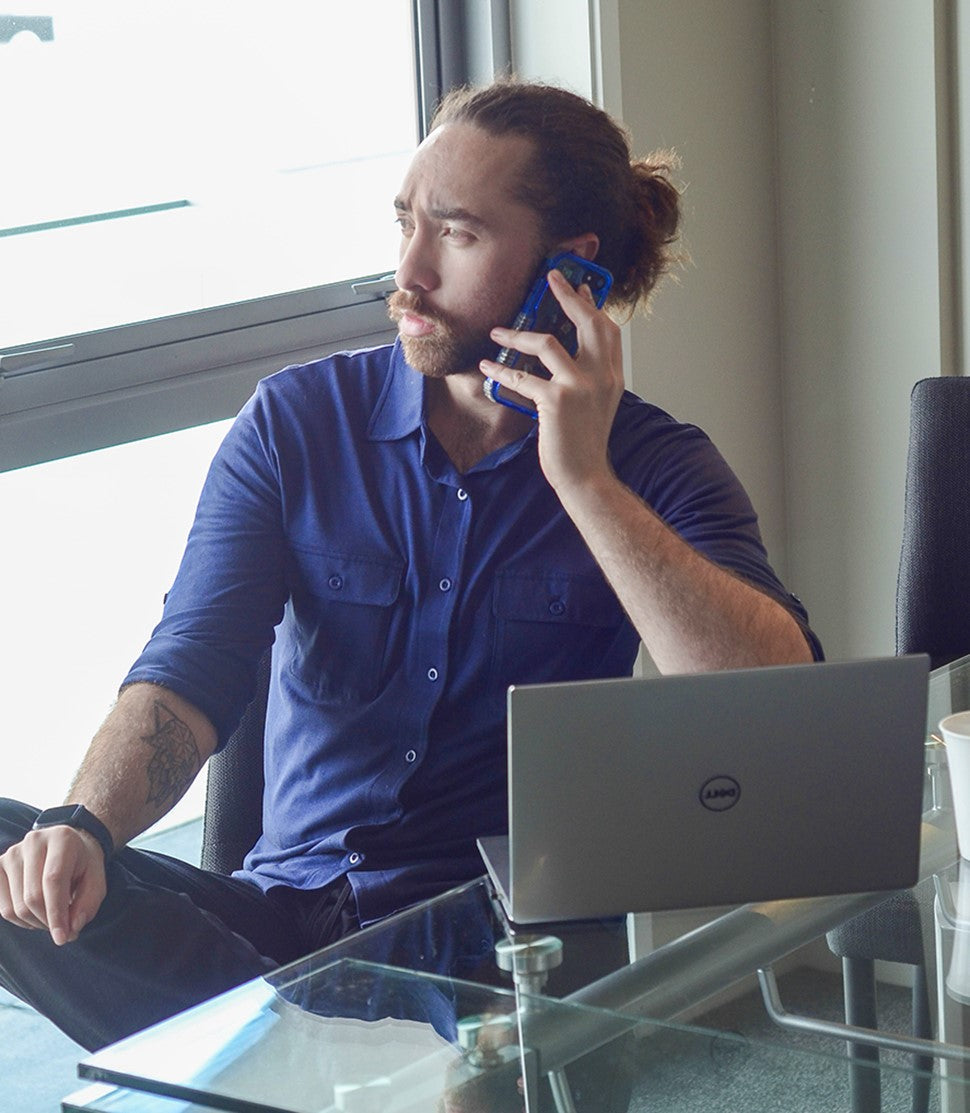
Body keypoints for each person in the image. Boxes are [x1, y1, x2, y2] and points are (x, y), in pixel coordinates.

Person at [0, 79, 821, 1052]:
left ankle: (283, 1048)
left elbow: (774, 711)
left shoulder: (652, 465)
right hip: (274, 916)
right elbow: (187, 674)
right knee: (15, 844)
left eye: (458, 235)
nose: (408, 274)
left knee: (415, 1025)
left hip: (492, 942)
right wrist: (81, 828)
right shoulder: (295, 423)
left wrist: (587, 486)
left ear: (571, 271)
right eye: (405, 224)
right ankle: (311, 1044)